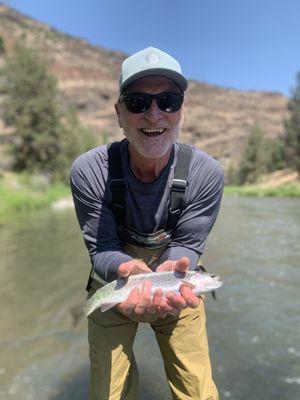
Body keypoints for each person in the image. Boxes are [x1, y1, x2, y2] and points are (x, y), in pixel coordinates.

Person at [70, 46, 224, 400]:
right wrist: (131, 270)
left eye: (168, 100)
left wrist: (172, 267)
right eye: (138, 101)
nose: (154, 114)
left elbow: (188, 244)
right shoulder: (90, 171)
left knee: (198, 392)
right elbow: (102, 249)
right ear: (119, 112)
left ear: (181, 110)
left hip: (177, 290)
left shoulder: (207, 174)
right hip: (113, 286)